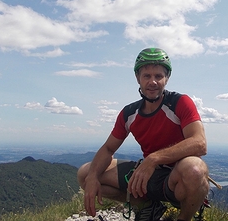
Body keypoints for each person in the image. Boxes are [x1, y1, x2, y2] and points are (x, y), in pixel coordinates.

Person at [77, 48, 209, 221]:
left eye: (158, 76)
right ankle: (147, 208)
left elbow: (200, 143)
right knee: (85, 173)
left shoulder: (179, 103)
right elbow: (108, 148)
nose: (152, 82)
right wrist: (93, 177)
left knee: (195, 169)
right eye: (147, 76)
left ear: (166, 79)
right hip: (148, 174)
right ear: (138, 78)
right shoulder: (129, 113)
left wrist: (153, 159)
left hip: (177, 176)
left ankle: (183, 218)